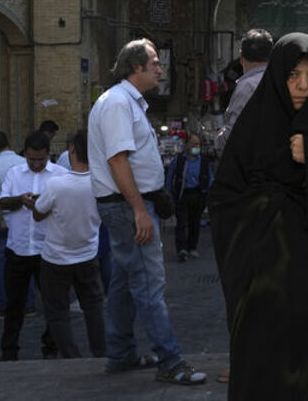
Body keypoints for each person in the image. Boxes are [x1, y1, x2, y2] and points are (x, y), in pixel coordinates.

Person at [208, 33, 308, 400]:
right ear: (278, 76)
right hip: (266, 283)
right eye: (293, 75)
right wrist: (274, 202)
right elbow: (223, 202)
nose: (302, 85)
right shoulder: (253, 130)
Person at [88, 38, 205, 385]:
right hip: (127, 208)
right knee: (149, 285)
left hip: (133, 204)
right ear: (136, 67)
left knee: (125, 283)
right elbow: (117, 160)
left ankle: (121, 353)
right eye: (154, 62)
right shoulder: (117, 104)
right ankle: (170, 361)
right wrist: (140, 209)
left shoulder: (129, 103)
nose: (160, 68)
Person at [32, 129, 106, 358]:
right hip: (87, 254)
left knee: (57, 312)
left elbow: (38, 213)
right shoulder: (101, 183)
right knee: (93, 308)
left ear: (72, 150)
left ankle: (70, 355)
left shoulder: (56, 184)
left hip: (55, 258)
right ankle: (100, 352)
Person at [0, 130, 64, 361]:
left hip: (48, 249)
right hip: (18, 248)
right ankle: (9, 350)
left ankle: (51, 346)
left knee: (53, 303)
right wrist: (20, 200)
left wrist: (43, 205)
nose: (36, 164)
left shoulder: (60, 175)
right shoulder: (14, 173)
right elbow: (2, 202)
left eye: (40, 159)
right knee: (14, 304)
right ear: (25, 154)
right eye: (31, 159)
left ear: (49, 154)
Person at [0, 130, 27, 318]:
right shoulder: (23, 162)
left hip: (4, 219)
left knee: (3, 264)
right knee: (26, 262)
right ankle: (28, 303)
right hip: (23, 219)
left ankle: (4, 304)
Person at [214, 29, 273, 155]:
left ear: (241, 57)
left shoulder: (247, 86)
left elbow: (234, 136)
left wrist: (219, 138)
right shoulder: (283, 81)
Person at [165, 134, 213, 262]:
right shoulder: (180, 160)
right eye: (194, 144)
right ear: (187, 145)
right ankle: (182, 249)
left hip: (198, 194)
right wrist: (168, 192)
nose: (197, 147)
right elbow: (170, 175)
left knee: (195, 222)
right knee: (181, 223)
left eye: (198, 144)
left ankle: (192, 247)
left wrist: (210, 192)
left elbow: (209, 177)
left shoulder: (203, 161)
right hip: (182, 195)